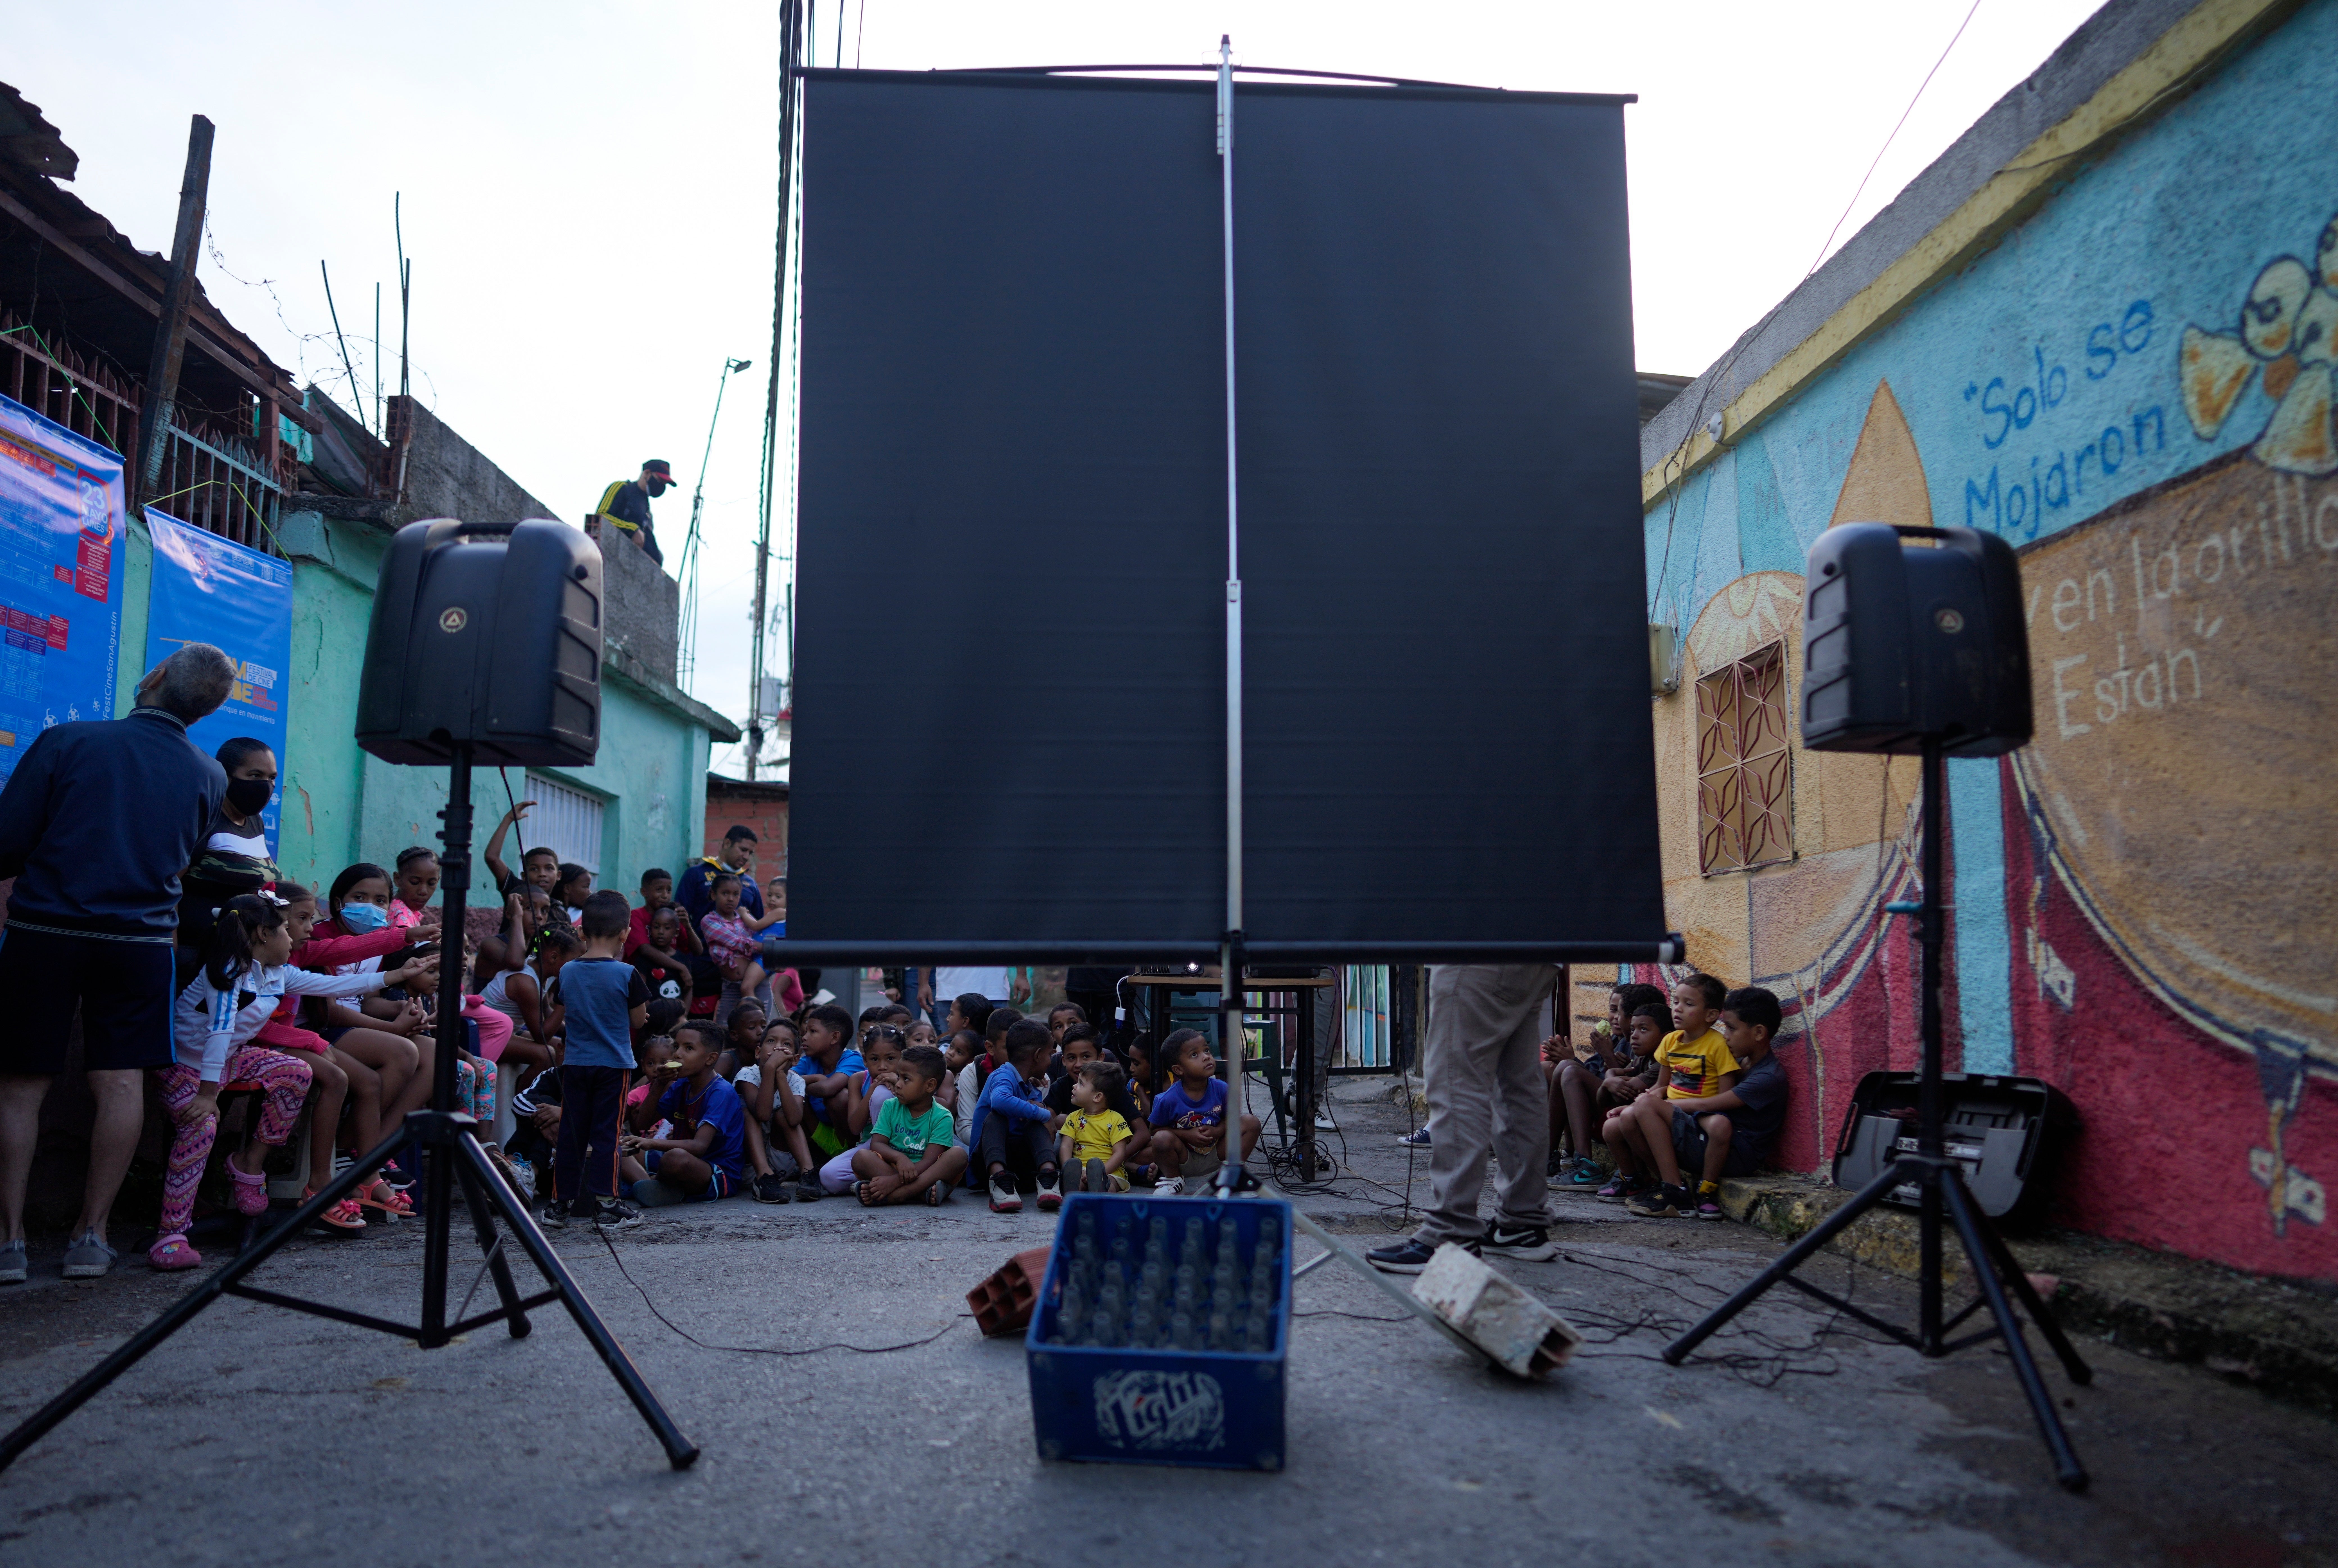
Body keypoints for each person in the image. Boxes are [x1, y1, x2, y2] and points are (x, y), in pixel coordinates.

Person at [0, 643, 235, 1284]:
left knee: (21, 1083)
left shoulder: (68, 741)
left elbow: (8, 842)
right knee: (123, 1081)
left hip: (45, 931)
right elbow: (186, 859)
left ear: (155, 677)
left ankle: (9, 1241)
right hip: (142, 944)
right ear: (207, 709)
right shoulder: (210, 775)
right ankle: (92, 1236)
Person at [155, 895, 435, 1270]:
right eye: (286, 929)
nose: (293, 938)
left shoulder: (277, 973)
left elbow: (333, 985)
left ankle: (248, 1164)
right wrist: (208, 1095)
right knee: (202, 1125)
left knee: (296, 1072)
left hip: (231, 1060)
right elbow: (220, 1030)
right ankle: (171, 1233)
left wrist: (397, 975)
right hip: (186, 1066)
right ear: (263, 934)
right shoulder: (227, 971)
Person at [1367, 963, 1562, 1273]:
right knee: (1516, 1084)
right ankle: (1521, 1224)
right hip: (1539, 948)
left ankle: (1451, 1232)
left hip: (1478, 950)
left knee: (1455, 1078)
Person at [1614, 987, 1790, 1219]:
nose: (1725, 1035)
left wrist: (1654, 1103)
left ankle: (1676, 1192)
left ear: (1758, 1032)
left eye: (1731, 1028)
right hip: (1709, 1135)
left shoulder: (1767, 1077)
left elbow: (1710, 1104)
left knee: (1644, 1106)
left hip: (1734, 1155)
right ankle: (1664, 1184)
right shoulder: (1740, 1059)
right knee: (1627, 1119)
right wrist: (1654, 1098)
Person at [539, 890, 649, 1231]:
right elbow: (638, 1020)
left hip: (575, 1064)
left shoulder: (568, 971)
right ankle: (607, 1204)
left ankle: (559, 1206)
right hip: (613, 1067)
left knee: (572, 1134)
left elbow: (563, 1005)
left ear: (581, 931)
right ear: (625, 934)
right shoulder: (627, 973)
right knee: (606, 1135)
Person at [1600, 972, 1740, 1205]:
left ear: (1711, 1015)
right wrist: (1643, 1101)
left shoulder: (1718, 1046)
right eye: (1676, 1002)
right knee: (1613, 1126)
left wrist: (1654, 1103)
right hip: (1669, 1112)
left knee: (1717, 1123)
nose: (1678, 1009)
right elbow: (1662, 1085)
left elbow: (1723, 1098)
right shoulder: (1670, 1041)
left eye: (1689, 1004)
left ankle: (1684, 1190)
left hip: (1698, 1116)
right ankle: (1662, 1182)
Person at [1549, 983, 1668, 1190]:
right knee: (1557, 1068)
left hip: (1624, 1118)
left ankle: (1585, 1164)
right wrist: (1610, 1075)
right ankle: (1551, 1155)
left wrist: (1609, 1060)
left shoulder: (1649, 1052)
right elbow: (1606, 1087)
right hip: (1611, 1112)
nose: (1615, 1019)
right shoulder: (1625, 1043)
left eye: (1618, 1012)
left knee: (1570, 1071)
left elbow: (1623, 1094)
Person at [622, 1021, 747, 1205]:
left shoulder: (721, 1092)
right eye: (676, 1047)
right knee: (618, 1147)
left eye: (688, 1048)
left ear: (710, 1059)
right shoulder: (681, 1085)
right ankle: (653, 1186)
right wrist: (659, 1084)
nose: (678, 1054)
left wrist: (651, 1142)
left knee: (675, 1158)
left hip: (715, 1172)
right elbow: (642, 1124)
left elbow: (700, 1146)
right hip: (676, 1161)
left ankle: (653, 1186)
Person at [175, 736, 280, 947]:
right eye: (256, 775)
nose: (266, 786)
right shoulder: (204, 818)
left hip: (241, 952)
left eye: (272, 778)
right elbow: (170, 885)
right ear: (226, 775)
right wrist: (171, 947)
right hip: (198, 951)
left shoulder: (256, 822)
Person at [1145, 1028, 1261, 1198]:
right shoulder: (1168, 1099)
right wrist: (1187, 1135)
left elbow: (1231, 1118)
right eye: (1195, 1055)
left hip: (1217, 1151)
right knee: (1161, 1139)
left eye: (1207, 1050)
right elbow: (1155, 1131)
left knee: (1251, 1123)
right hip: (1184, 1157)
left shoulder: (1223, 1089)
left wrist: (1219, 1131)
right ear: (1179, 1070)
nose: (1206, 1057)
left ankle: (1232, 1177)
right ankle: (1173, 1180)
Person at [851, 1044, 966, 1206]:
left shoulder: (942, 1117)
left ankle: (896, 1195)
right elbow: (877, 1144)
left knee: (959, 1155)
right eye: (898, 1077)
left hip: (926, 1172)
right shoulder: (890, 1106)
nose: (898, 1084)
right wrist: (900, 1158)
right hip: (895, 1168)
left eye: (906, 1079)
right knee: (861, 1158)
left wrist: (894, 1182)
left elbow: (930, 1161)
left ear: (930, 1086)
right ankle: (921, 1193)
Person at [972, 1017, 1059, 1214]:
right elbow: (1000, 1101)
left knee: (1036, 1120)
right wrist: (1044, 1114)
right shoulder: (1002, 1075)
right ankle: (1000, 1182)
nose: (1051, 1061)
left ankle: (1048, 1179)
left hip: (1022, 1172)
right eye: (1050, 1055)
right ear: (1037, 1056)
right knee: (997, 1116)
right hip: (986, 1167)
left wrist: (1039, 1111)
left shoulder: (1030, 1088)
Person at [738, 1017, 821, 1203]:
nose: (778, 1049)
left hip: (780, 1167)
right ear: (758, 1052)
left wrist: (780, 1076)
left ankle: (808, 1173)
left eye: (786, 1044)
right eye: (771, 1041)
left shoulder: (796, 1080)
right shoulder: (748, 1074)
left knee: (785, 1114)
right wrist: (770, 1069)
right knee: (747, 1113)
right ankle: (763, 1177)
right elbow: (762, 1114)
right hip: (748, 1166)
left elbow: (795, 1120)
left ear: (796, 1059)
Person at [699, 872, 781, 1024]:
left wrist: (774, 956)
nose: (731, 899)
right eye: (725, 893)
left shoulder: (745, 919)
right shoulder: (709, 921)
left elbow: (759, 937)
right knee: (725, 1027)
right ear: (714, 895)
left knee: (760, 1026)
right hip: (731, 987)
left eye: (736, 894)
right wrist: (770, 949)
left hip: (758, 985)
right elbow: (736, 942)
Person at [794, 1002, 862, 1169]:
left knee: (839, 1098)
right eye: (806, 1031)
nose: (804, 1037)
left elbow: (828, 1089)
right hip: (818, 1133)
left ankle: (848, 1156)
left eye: (813, 1032)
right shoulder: (808, 1061)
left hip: (849, 1140)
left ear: (835, 1038)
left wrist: (801, 1086)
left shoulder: (853, 1059)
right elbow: (785, 1080)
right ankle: (813, 1158)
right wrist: (816, 1078)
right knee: (793, 1101)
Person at [1058, 1060, 1137, 1193]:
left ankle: (1100, 1189)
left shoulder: (1116, 1120)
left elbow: (1119, 1153)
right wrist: (1068, 1169)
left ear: (1097, 1097)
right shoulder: (1073, 1118)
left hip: (1109, 1171)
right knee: (1078, 1184)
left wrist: (1102, 1172)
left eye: (1081, 1084)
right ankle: (1072, 1187)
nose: (1074, 1086)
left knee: (1111, 1185)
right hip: (1081, 1170)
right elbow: (1066, 1146)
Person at [590, 459, 676, 566]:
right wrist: (632, 530)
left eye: (665, 484)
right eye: (660, 481)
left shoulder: (648, 513)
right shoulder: (622, 488)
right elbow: (600, 517)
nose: (662, 487)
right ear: (647, 474)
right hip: (606, 558)